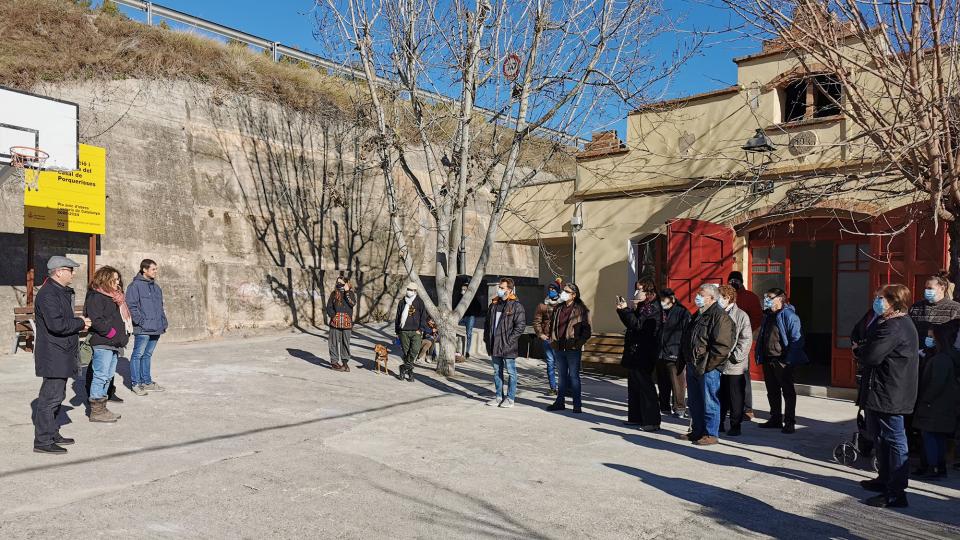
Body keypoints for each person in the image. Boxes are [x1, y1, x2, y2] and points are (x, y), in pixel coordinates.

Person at [858, 284, 919, 508]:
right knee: (881, 437)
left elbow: (872, 355)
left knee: (894, 439)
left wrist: (860, 350)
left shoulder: (895, 326)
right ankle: (884, 479)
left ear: (894, 301)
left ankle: (896, 491)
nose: (877, 301)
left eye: (881, 298)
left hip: (891, 391)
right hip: (883, 390)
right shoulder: (888, 322)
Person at [32, 256, 91, 454]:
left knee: (58, 396)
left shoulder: (59, 292)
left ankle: (52, 431)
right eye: (70, 270)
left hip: (60, 352)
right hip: (53, 354)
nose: (73, 273)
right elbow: (57, 325)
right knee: (50, 398)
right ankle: (43, 441)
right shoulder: (49, 294)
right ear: (58, 271)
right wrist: (80, 323)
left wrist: (77, 322)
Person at [678, 283, 734, 446]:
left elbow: (722, 346)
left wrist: (708, 365)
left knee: (710, 401)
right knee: (695, 401)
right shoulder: (699, 314)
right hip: (693, 364)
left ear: (711, 298)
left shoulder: (720, 316)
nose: (697, 297)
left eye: (701, 294)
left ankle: (711, 433)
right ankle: (697, 430)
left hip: (707, 367)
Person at [755, 288, 808, 434]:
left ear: (780, 298)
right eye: (766, 296)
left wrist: (789, 360)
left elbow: (797, 340)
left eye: (770, 297)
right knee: (772, 391)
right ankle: (775, 418)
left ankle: (789, 421)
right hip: (768, 358)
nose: (766, 299)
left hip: (783, 360)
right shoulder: (768, 315)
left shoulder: (789, 316)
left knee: (788, 391)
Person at [912, 324, 960, 481]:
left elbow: (936, 384)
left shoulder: (941, 359)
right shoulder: (946, 356)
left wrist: (925, 399)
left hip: (935, 406)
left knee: (930, 437)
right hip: (942, 405)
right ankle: (937, 467)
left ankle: (933, 467)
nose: (929, 339)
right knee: (937, 437)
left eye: (932, 337)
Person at [85, 266, 132, 423]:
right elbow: (97, 321)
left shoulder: (115, 297)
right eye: (114, 279)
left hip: (115, 343)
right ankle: (96, 411)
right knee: (101, 375)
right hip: (103, 342)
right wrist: (112, 333)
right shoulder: (96, 296)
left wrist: (121, 336)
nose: (118, 282)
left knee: (108, 375)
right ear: (104, 279)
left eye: (118, 279)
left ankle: (102, 407)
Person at [616, 280, 661, 431]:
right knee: (634, 386)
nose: (636, 293)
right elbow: (631, 324)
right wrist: (624, 311)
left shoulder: (652, 308)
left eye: (639, 290)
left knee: (646, 387)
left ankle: (651, 421)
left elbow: (637, 325)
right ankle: (636, 417)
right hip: (634, 352)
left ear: (648, 292)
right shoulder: (643, 306)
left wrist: (625, 311)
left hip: (644, 353)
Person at [546, 283, 592, 413]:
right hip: (559, 347)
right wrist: (551, 339)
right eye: (563, 291)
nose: (563, 293)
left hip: (572, 348)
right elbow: (552, 326)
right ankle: (560, 402)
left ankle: (577, 405)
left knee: (574, 376)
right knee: (561, 376)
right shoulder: (558, 308)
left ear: (574, 295)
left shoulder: (581, 310)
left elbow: (587, 331)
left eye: (567, 291)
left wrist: (578, 344)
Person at [125, 259, 168, 396]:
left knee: (147, 355)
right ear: (144, 269)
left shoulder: (156, 287)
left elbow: (160, 307)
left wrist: (163, 321)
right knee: (138, 355)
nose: (156, 271)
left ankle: (147, 382)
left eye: (156, 269)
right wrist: (141, 322)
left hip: (156, 327)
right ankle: (136, 384)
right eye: (153, 269)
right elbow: (131, 305)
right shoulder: (135, 286)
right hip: (143, 328)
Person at [483, 278, 526, 408]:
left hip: (508, 346)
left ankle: (510, 398)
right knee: (497, 372)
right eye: (499, 287)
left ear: (509, 289)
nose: (499, 290)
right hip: (494, 344)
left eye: (502, 288)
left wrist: (509, 341)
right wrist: (487, 338)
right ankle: (498, 396)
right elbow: (487, 324)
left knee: (511, 372)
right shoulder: (494, 304)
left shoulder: (516, 306)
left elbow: (520, 326)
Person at [717, 285, 753, 437]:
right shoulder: (717, 313)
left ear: (727, 298)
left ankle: (735, 425)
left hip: (734, 365)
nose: (717, 300)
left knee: (735, 397)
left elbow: (745, 339)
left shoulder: (741, 315)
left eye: (719, 297)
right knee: (720, 395)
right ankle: (718, 423)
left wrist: (735, 357)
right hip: (718, 363)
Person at [729, 271, 762, 419]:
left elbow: (757, 318)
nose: (734, 283)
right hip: (725, 343)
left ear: (741, 281)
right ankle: (731, 405)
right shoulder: (725, 296)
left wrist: (745, 332)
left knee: (743, 375)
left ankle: (747, 408)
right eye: (731, 281)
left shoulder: (750, 297)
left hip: (742, 341)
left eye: (736, 281)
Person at [908, 273, 960, 360]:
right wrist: (922, 340)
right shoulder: (916, 307)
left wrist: (938, 339)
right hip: (918, 357)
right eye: (925, 288)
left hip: (944, 358)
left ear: (942, 288)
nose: (926, 291)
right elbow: (909, 330)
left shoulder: (955, 308)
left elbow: (956, 335)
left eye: (930, 288)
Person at [657, 288, 690, 418]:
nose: (661, 302)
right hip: (660, 352)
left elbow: (686, 333)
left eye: (663, 299)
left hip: (675, 352)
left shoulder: (682, 312)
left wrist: (682, 352)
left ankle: (679, 407)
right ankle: (664, 406)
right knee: (662, 382)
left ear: (672, 299)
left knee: (677, 383)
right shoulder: (660, 312)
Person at [533, 279, 563, 395]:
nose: (551, 291)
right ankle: (553, 387)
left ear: (558, 291)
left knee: (561, 364)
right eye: (550, 289)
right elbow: (536, 321)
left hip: (560, 339)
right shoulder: (543, 305)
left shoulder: (562, 304)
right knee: (550, 363)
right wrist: (541, 334)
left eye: (553, 290)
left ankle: (563, 387)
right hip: (548, 338)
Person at [395, 283, 430, 382]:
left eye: (411, 289)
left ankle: (403, 367)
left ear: (415, 291)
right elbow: (398, 317)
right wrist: (397, 331)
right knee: (406, 353)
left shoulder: (420, 302)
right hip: (404, 331)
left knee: (414, 350)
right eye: (408, 289)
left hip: (416, 331)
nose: (408, 291)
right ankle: (410, 373)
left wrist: (421, 329)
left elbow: (423, 317)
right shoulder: (402, 302)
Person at [326, 275, 357, 372]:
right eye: (337, 283)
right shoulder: (334, 294)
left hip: (347, 324)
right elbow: (329, 307)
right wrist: (333, 316)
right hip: (335, 323)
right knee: (333, 343)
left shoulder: (351, 294)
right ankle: (334, 362)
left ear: (347, 284)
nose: (339, 284)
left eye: (341, 283)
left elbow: (352, 303)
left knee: (345, 343)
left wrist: (347, 292)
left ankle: (345, 363)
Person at [457, 280, 485, 359]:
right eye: (462, 289)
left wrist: (474, 313)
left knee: (469, 334)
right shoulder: (460, 297)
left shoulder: (473, 298)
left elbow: (478, 307)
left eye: (464, 290)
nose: (462, 291)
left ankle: (467, 351)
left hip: (470, 317)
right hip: (461, 316)